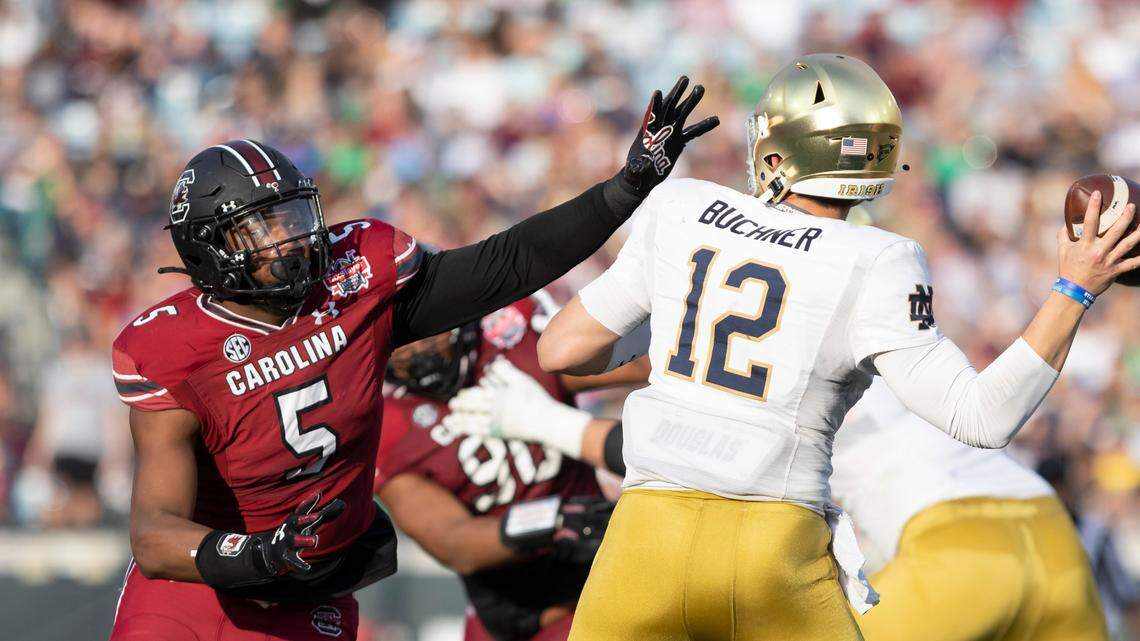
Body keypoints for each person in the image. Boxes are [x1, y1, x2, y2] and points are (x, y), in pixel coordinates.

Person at [528, 53, 1140, 641]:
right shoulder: (880, 258)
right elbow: (983, 417)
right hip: (773, 553)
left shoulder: (682, 207)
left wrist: (678, 313)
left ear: (774, 149)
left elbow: (560, 350)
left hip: (644, 541)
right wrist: (1076, 289)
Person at [109, 77, 718, 641]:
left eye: (292, 217)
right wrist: (261, 552)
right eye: (263, 229)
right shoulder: (172, 350)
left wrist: (625, 189)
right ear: (212, 251)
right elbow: (155, 532)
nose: (291, 240)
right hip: (198, 590)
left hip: (312, 592)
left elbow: (508, 263)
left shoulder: (355, 279)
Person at [375, 295, 644, 641]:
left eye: (423, 329)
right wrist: (549, 521)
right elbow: (451, 540)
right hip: (511, 614)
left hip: (599, 581)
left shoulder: (510, 333)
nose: (416, 348)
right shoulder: (386, 424)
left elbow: (649, 362)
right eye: (400, 338)